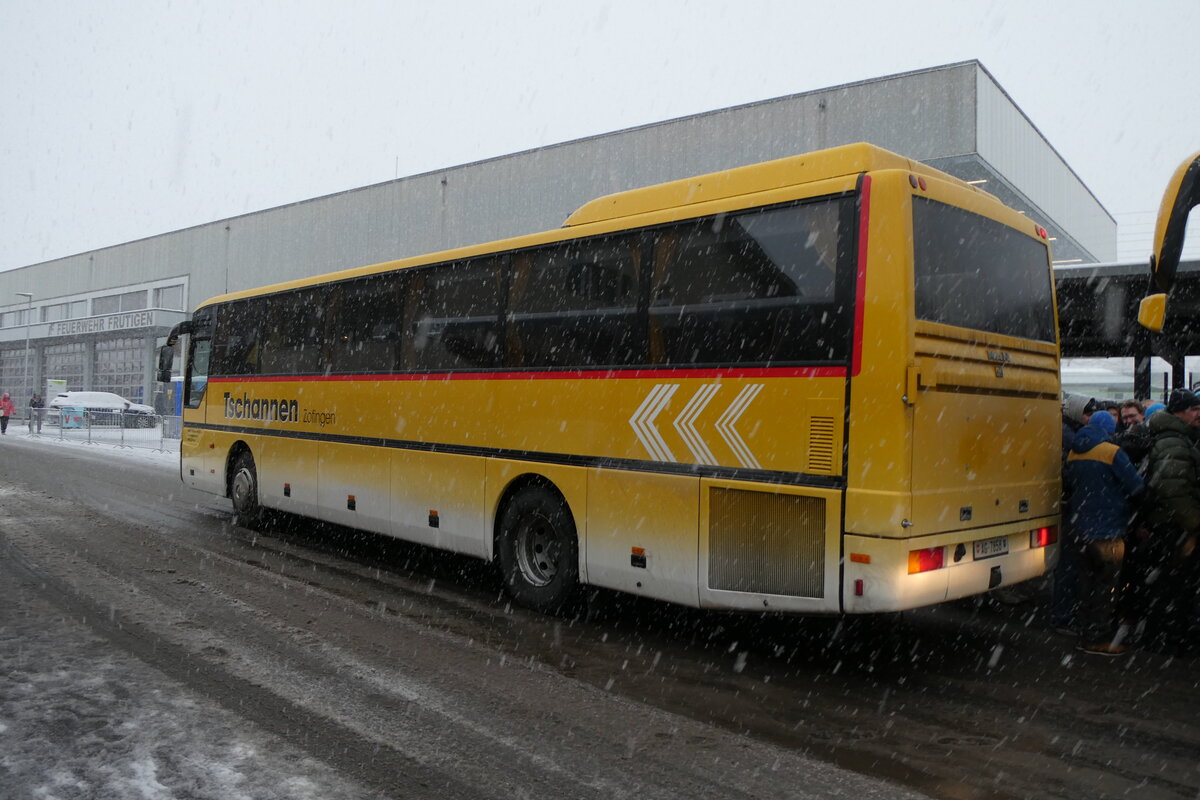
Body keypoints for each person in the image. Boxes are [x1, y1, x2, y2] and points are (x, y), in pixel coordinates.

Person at [1064, 410, 1144, 655]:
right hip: (1107, 530)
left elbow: (1069, 484)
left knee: (1086, 584)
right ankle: (1098, 638)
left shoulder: (1074, 452)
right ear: (1110, 429)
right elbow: (1136, 486)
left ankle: (1083, 633)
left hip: (1080, 528)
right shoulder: (1112, 452)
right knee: (1106, 586)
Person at [1140, 388, 1200, 654]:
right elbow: (1174, 490)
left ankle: (1162, 637)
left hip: (1169, 525)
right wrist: (1195, 524)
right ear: (1180, 411)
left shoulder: (1175, 438)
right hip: (1173, 527)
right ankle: (1168, 639)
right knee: (1173, 586)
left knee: (1168, 584)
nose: (1198, 414)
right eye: (1194, 409)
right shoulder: (1174, 442)